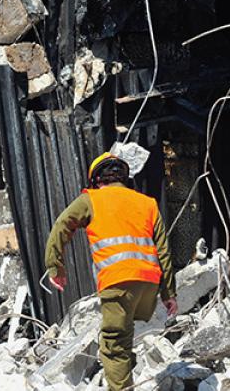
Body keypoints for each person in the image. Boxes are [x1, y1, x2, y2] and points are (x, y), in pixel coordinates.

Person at [45, 152, 178, 390]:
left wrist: (55, 266)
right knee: (124, 339)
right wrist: (169, 293)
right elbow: (164, 250)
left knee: (114, 345)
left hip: (117, 281)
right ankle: (125, 380)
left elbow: (61, 225)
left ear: (96, 180)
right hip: (148, 284)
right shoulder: (147, 203)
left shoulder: (91, 200)